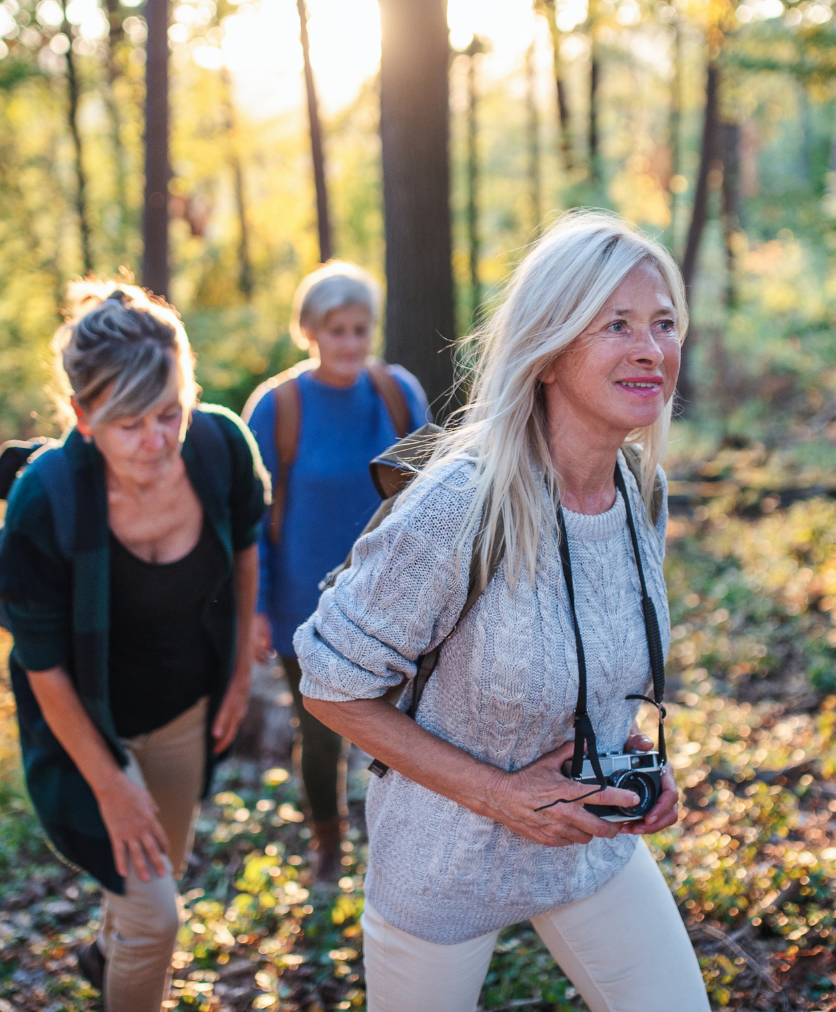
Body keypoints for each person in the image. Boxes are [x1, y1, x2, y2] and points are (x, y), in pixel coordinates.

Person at [295, 213, 710, 1012]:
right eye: (615, 325)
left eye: (663, 324)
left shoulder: (638, 491)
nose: (650, 349)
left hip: (588, 847)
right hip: (442, 870)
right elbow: (326, 682)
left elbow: (597, 654)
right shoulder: (459, 505)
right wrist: (499, 794)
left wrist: (632, 759)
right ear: (549, 352)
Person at [0, 282, 269, 1012]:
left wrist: (241, 667)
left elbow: (245, 548)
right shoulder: (45, 500)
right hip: (87, 729)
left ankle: (103, 955)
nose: (157, 440)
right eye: (130, 424)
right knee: (156, 914)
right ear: (83, 418)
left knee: (155, 873)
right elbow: (42, 667)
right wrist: (114, 786)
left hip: (186, 708)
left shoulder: (218, 448)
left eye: (169, 413)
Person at [243, 261, 428, 883]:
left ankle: (398, 850)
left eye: (360, 329)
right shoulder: (277, 407)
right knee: (322, 733)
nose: (350, 343)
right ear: (312, 332)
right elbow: (252, 519)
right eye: (337, 330)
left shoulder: (399, 394)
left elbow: (434, 496)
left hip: (393, 599)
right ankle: (328, 847)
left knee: (404, 733)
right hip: (307, 604)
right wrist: (257, 608)